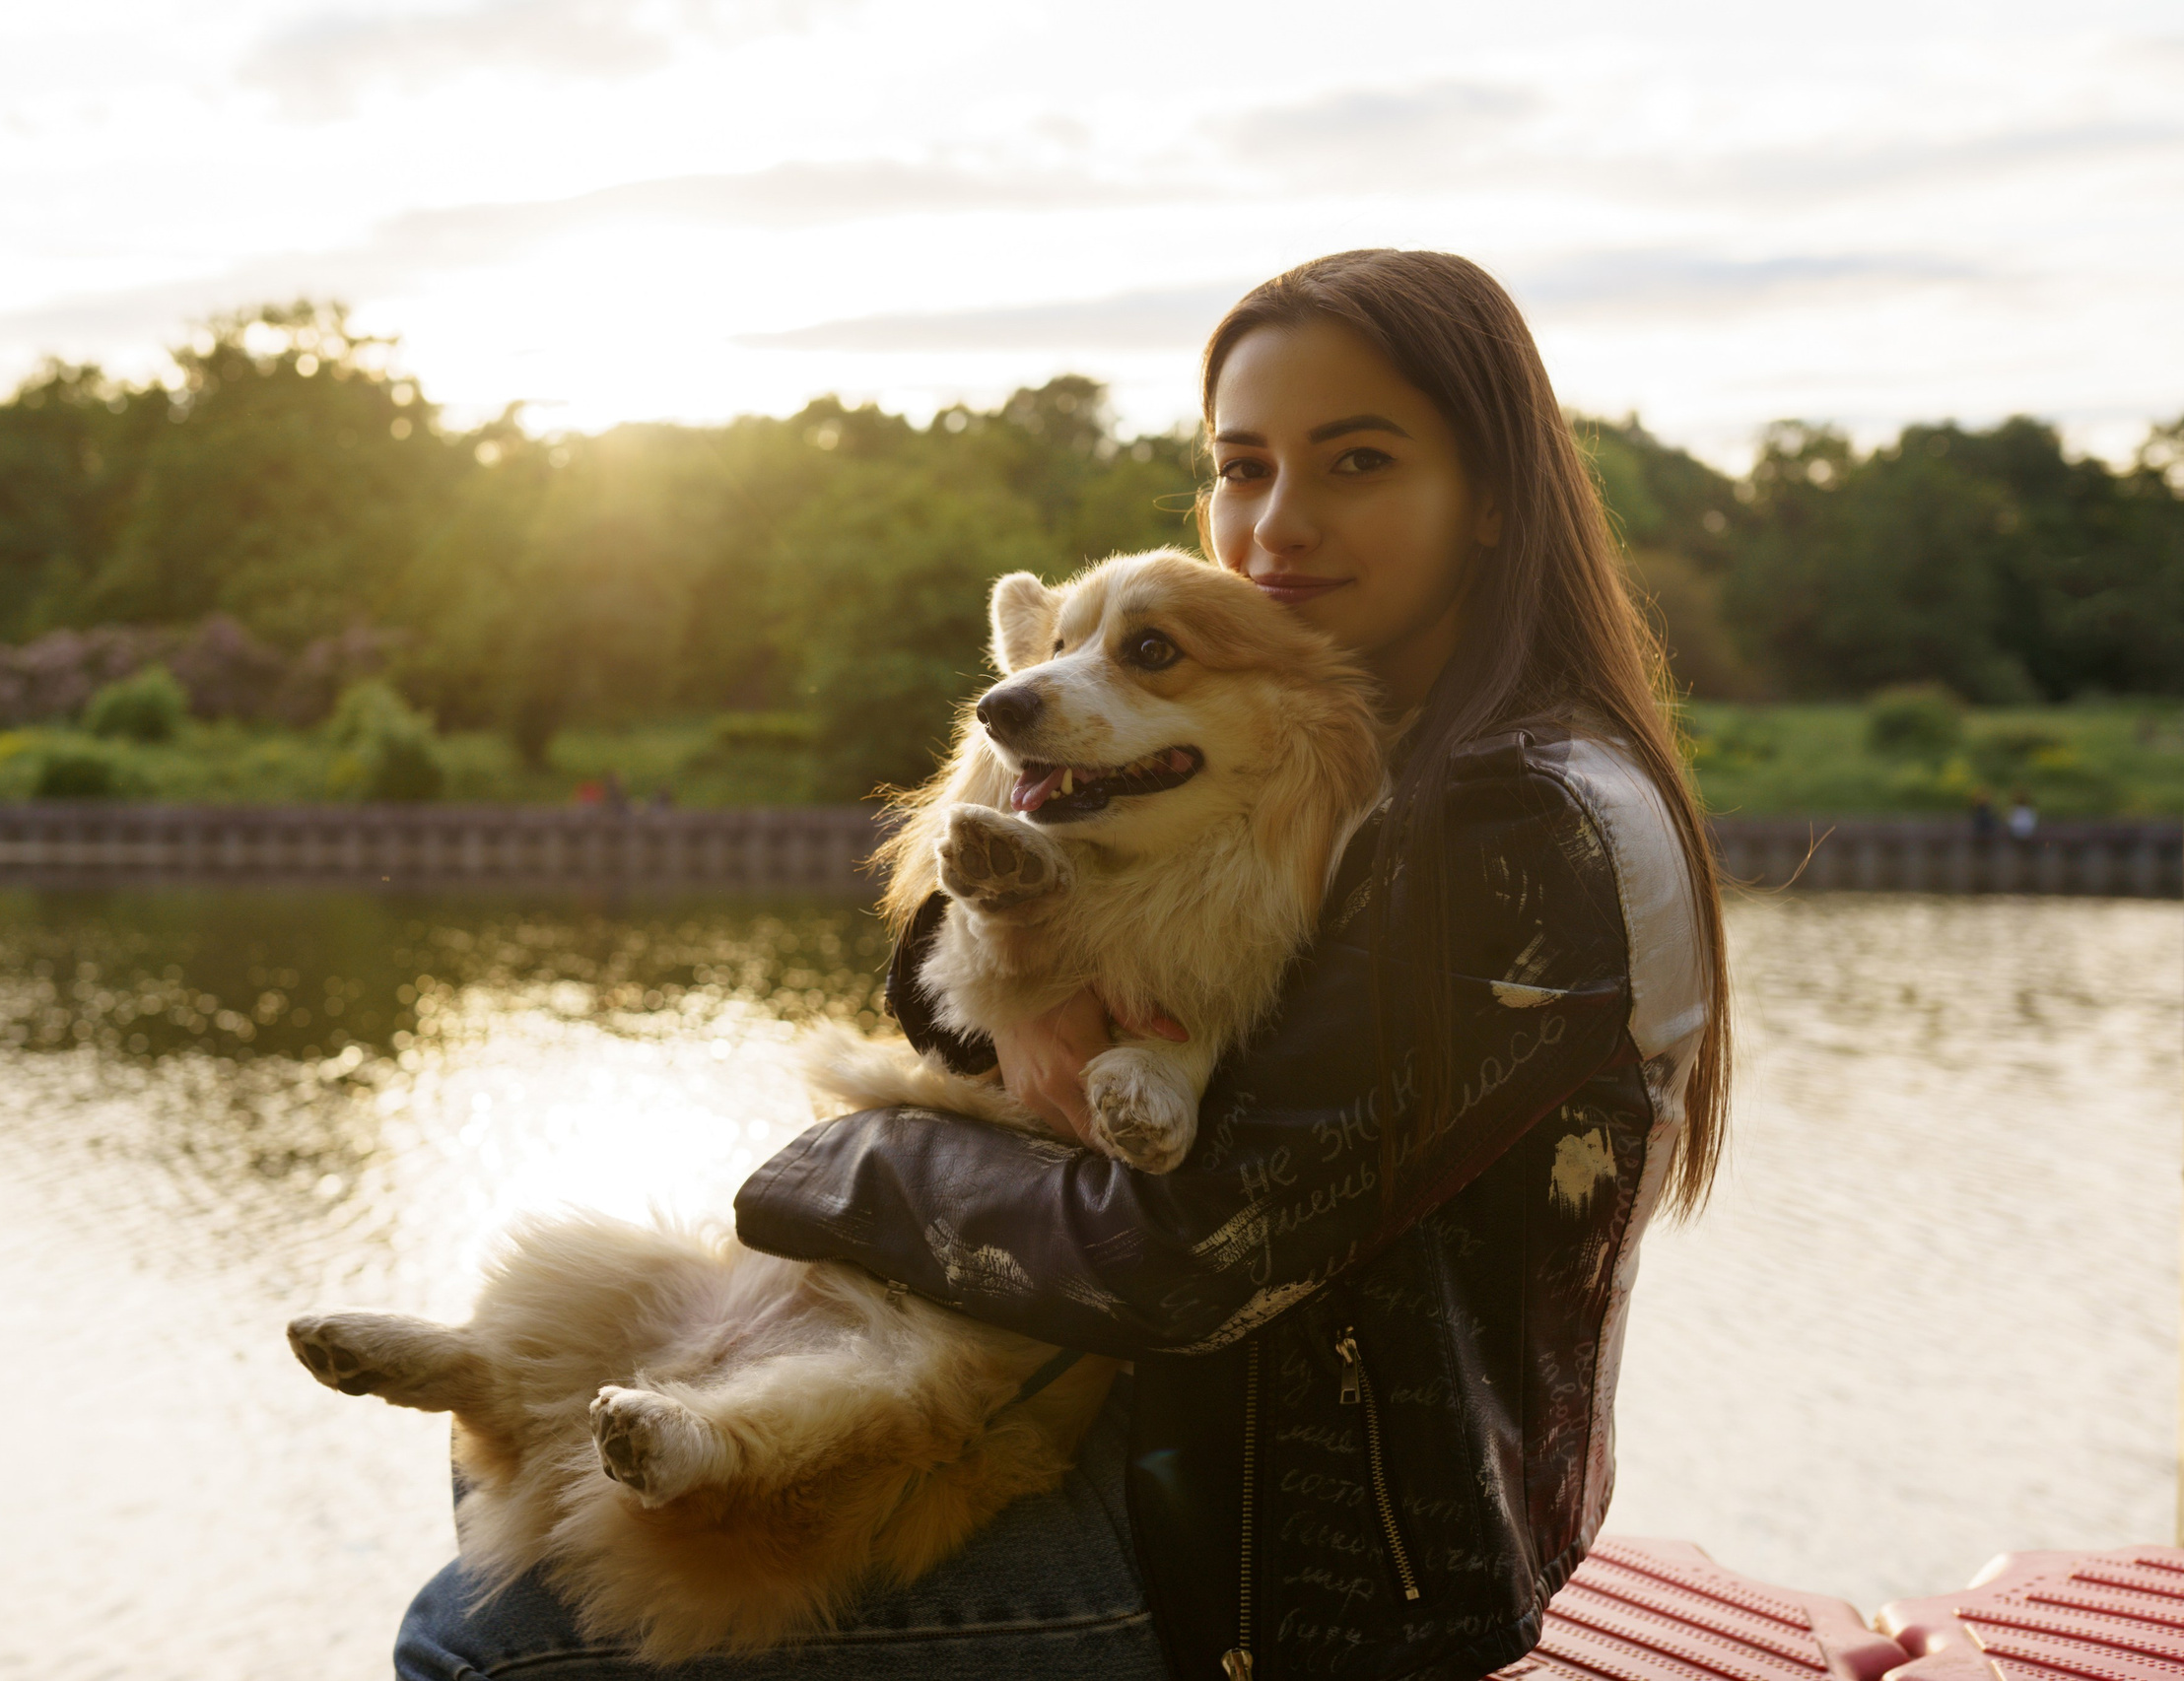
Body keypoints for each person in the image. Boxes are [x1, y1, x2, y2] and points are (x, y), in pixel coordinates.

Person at [395, 249, 1732, 1680]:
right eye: (1242, 466)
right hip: (1173, 1451)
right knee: (503, 1475)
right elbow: (939, 941)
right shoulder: (1346, 727)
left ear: (1494, 497)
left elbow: (1187, 1253)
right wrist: (1030, 1004)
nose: (1276, 522)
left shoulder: (1521, 820)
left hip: (1294, 1578)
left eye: (1355, 461)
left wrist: (830, 1175)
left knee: (478, 1641)